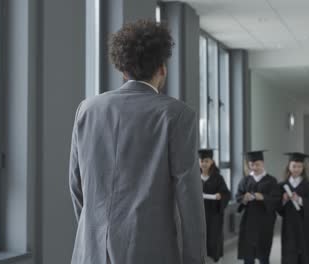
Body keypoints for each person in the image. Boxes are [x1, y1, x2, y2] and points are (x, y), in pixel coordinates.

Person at [69, 20, 206, 264]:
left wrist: (94, 230)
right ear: (162, 68)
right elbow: (189, 197)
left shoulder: (87, 109)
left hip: (90, 251)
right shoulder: (177, 114)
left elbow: (76, 184)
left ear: (123, 70)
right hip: (150, 252)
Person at [236, 150, 280, 264]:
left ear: (263, 163)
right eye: (252, 164)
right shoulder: (245, 180)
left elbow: (276, 199)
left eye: (257, 164)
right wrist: (244, 199)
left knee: (263, 252)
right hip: (248, 221)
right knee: (248, 253)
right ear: (249, 165)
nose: (254, 167)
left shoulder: (271, 180)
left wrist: (264, 197)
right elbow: (238, 197)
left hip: (265, 221)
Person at [278, 152, 309, 264]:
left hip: (304, 223)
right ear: (289, 167)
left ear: (303, 167)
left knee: (305, 250)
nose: (296, 169)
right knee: (289, 250)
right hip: (289, 224)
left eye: (299, 166)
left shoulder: (308, 185)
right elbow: (277, 207)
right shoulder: (282, 185)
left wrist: (299, 200)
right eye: (294, 166)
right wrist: (284, 200)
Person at [199, 149, 231, 263]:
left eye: (206, 161)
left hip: (214, 216)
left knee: (214, 242)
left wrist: (220, 195)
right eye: (201, 161)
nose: (203, 164)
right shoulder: (194, 178)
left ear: (212, 162)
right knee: (199, 242)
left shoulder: (218, 177)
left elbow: (227, 194)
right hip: (199, 215)